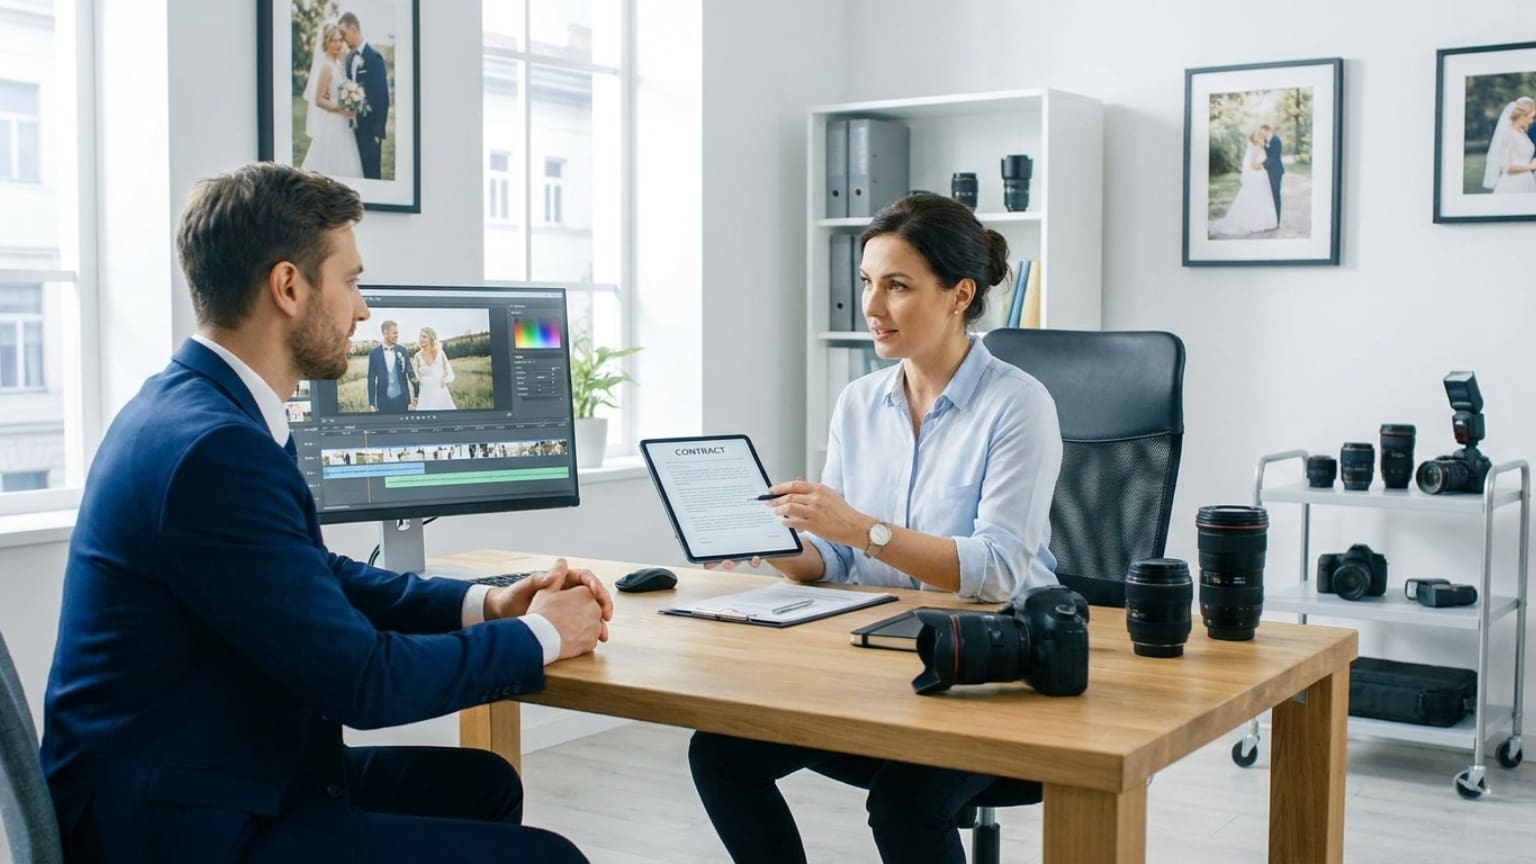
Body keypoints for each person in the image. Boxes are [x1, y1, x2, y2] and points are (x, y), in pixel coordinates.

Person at [40, 163, 611, 863]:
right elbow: (364, 684)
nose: (363, 310)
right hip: (182, 830)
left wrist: (487, 605)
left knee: (481, 786)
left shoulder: (194, 408)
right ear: (288, 287)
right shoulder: (214, 450)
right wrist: (541, 636)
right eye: (352, 281)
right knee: (551, 860)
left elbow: (314, 575)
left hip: (213, 774)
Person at [688, 193, 1063, 864]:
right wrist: (779, 542)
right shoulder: (859, 403)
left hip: (992, 667)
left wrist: (862, 530)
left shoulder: (1018, 405)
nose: (871, 306)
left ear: (958, 295)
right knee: (719, 752)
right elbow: (834, 560)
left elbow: (998, 569)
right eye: (867, 283)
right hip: (879, 660)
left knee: (904, 802)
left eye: (896, 286)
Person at [299, 22, 364, 178]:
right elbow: (319, 100)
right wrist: (342, 109)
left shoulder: (339, 64)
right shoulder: (326, 67)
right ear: (326, 43)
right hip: (332, 122)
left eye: (340, 40)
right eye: (333, 40)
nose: (338, 44)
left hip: (344, 123)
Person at [338, 12, 390, 181]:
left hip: (370, 130)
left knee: (371, 174)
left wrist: (378, 131)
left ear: (354, 29)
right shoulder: (348, 58)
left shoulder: (374, 57)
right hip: (352, 128)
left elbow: (383, 96)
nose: (342, 38)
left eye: (344, 33)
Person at [1211, 130, 1279, 236]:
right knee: (1257, 199)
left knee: (1262, 198)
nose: (1260, 138)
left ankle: (1263, 222)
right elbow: (1252, 165)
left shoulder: (1260, 148)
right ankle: (1255, 223)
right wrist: (1263, 167)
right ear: (1254, 139)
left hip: (1260, 177)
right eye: (1258, 137)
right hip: (1258, 177)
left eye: (1261, 136)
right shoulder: (1256, 149)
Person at [1484, 97, 1536, 195]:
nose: (1531, 121)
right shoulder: (1509, 135)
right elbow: (1507, 168)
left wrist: (1533, 161)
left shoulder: (1522, 133)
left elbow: (1523, 157)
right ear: (1522, 116)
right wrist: (1532, 166)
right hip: (1514, 184)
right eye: (1530, 117)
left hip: (1527, 181)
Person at [367, 319, 417, 412]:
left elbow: (411, 373)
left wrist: (416, 396)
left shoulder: (402, 350)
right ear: (385, 333)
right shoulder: (374, 353)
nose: (397, 336)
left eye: (397, 333)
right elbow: (371, 379)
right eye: (394, 333)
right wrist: (372, 404)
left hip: (403, 400)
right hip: (383, 402)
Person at [412, 325, 457, 410]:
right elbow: (416, 375)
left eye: (424, 336)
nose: (421, 339)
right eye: (420, 336)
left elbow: (447, 370)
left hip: (440, 392)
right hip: (425, 393)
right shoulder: (417, 356)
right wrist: (421, 381)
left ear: (431, 339)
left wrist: (444, 380)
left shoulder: (440, 354)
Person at [1261, 123, 1285, 221]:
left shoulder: (1276, 140)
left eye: (1263, 132)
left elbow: (1274, 156)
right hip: (1268, 172)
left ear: (1268, 130)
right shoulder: (1266, 141)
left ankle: (1277, 219)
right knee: (1269, 195)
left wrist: (1262, 164)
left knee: (1275, 195)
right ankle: (1271, 218)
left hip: (1276, 172)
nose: (1262, 135)